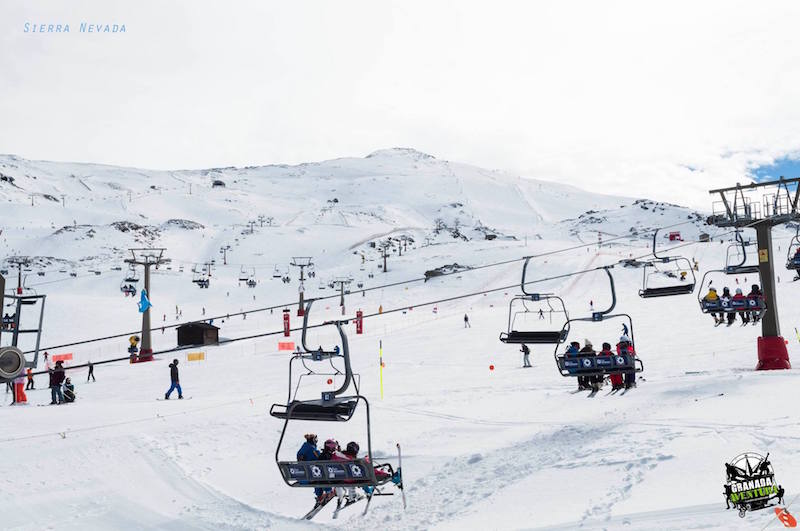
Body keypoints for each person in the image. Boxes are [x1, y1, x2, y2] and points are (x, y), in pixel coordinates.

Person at [298, 433, 331, 503]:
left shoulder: (302, 449)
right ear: (313, 440)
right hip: (309, 478)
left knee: (314, 473)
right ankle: (328, 492)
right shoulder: (312, 450)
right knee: (320, 472)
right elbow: (321, 459)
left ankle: (319, 496)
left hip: (301, 478)